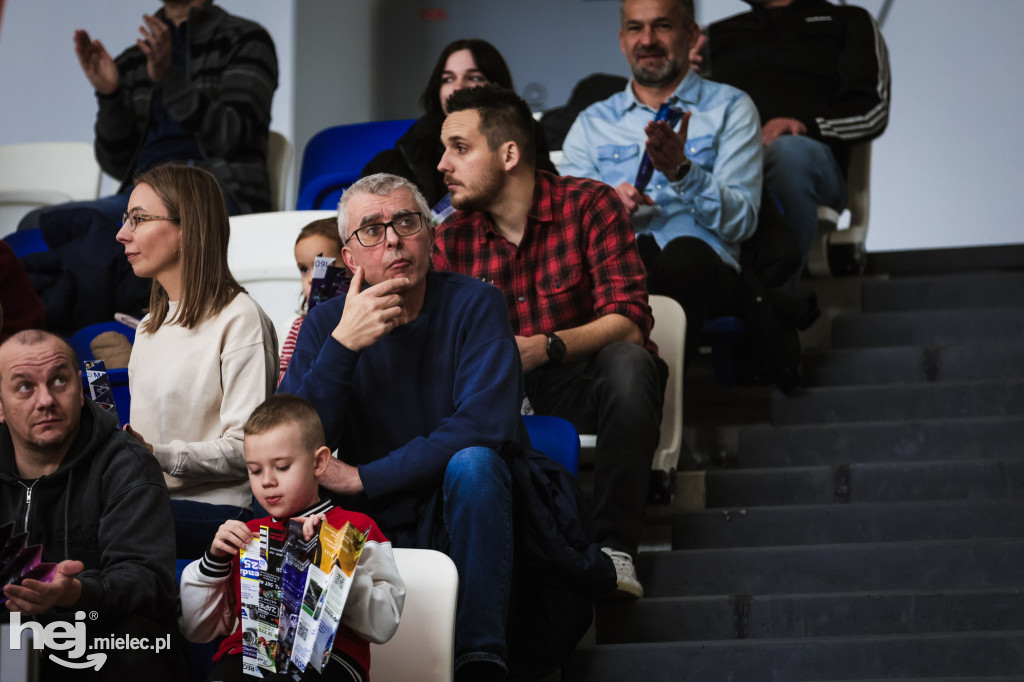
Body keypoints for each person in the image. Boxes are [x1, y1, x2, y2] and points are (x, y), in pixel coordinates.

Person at [279, 173, 522, 682]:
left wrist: (365, 476)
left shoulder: (476, 303)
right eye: (371, 229)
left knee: (476, 464)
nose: (392, 239)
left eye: (406, 222)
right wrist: (344, 346)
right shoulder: (326, 324)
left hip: (459, 500)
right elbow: (289, 443)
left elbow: (485, 425)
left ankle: (480, 661)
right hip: (367, 515)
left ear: (430, 237)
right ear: (349, 258)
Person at [435, 84, 666, 599]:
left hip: (578, 383)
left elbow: (629, 319)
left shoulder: (590, 205)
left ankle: (614, 551)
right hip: (494, 396)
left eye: (459, 148)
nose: (442, 165)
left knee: (629, 362)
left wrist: (544, 346)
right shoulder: (447, 238)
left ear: (509, 153)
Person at [560, 0, 763, 359]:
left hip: (704, 272)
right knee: (617, 267)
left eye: (663, 26)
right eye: (636, 28)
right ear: (622, 40)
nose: (648, 39)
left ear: (692, 35)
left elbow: (741, 224)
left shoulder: (731, 108)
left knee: (684, 255)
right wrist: (605, 208)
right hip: (618, 274)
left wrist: (682, 172)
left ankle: (654, 398)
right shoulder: (592, 123)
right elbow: (565, 230)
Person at [0, 330, 186, 681]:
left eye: (59, 381)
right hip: (11, 634)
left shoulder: (126, 462)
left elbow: (148, 582)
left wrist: (76, 592)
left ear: (81, 391)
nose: (46, 400)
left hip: (99, 633)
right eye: (25, 387)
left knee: (139, 643)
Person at [179, 395, 404, 682]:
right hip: (245, 659)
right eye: (255, 470)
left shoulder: (356, 527)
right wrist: (213, 561)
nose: (267, 481)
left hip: (328, 662)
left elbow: (384, 623)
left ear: (320, 462)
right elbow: (197, 630)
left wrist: (332, 559)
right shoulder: (246, 536)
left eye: (282, 467)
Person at [116, 163, 278, 559]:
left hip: (222, 515)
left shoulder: (240, 317)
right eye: (126, 219)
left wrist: (157, 454)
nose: (122, 234)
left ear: (188, 228)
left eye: (138, 219)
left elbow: (249, 450)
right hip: (152, 503)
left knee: (95, 523)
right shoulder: (149, 325)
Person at [17, 0, 278, 233]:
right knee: (35, 226)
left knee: (91, 234)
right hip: (144, 193)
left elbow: (231, 136)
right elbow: (117, 164)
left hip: (214, 193)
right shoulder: (136, 59)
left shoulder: (245, 40)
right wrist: (110, 96)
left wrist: (169, 78)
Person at [703, 0, 891, 270]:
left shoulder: (848, 20)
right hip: (727, 164)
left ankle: (781, 298)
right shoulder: (714, 35)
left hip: (809, 161)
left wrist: (803, 126)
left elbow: (872, 111)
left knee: (788, 152)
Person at [360, 38, 554, 210]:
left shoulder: (530, 152)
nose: (458, 87)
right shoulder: (394, 162)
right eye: (448, 79)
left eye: (473, 78)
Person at [279, 218, 346, 385]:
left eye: (322, 265)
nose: (311, 279)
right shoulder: (297, 328)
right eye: (304, 269)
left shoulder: (368, 318)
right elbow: (285, 383)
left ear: (351, 262)